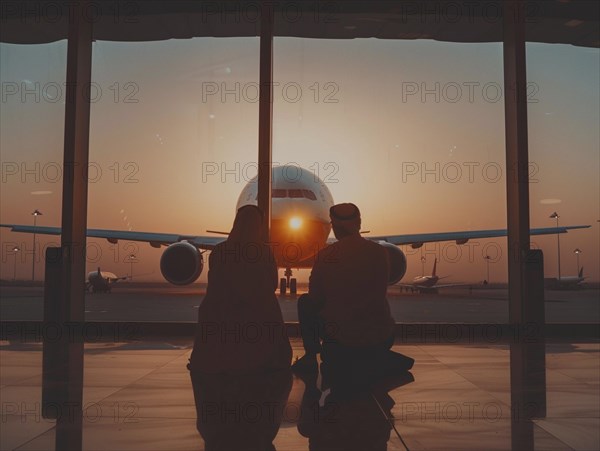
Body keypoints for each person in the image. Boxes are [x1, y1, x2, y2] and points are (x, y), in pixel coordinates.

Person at [292, 203, 397, 373]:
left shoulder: (326, 255)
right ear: (359, 224)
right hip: (381, 337)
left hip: (340, 338)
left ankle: (310, 357)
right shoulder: (379, 252)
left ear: (334, 228)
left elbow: (315, 297)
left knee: (305, 302)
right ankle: (373, 355)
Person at [189, 204, 292, 373]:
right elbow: (273, 284)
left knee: (209, 306)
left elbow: (214, 283)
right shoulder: (264, 252)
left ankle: (214, 357)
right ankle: (264, 358)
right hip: (257, 318)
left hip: (222, 315)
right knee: (270, 307)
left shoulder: (219, 251)